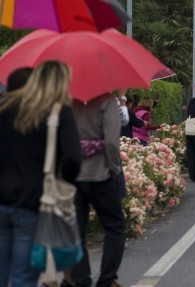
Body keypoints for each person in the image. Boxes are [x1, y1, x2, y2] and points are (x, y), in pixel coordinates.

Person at [0, 61, 81, 287]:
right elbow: (74, 157)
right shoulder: (56, 112)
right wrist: (62, 179)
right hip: (32, 200)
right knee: (23, 276)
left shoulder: (5, 109)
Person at [71, 93, 125, 287]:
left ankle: (81, 281)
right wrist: (114, 168)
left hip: (72, 174)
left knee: (77, 232)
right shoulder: (107, 101)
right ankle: (107, 279)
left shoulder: (67, 101)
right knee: (115, 226)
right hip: (100, 174)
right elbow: (111, 143)